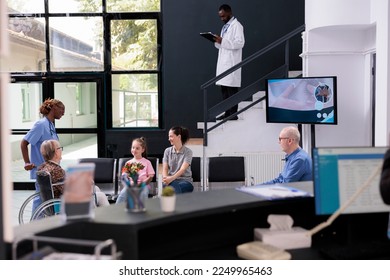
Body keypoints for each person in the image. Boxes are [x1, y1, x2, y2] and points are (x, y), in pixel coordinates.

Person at [20, 98, 65, 211]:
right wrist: (27, 162)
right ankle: (34, 226)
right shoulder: (41, 124)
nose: (63, 113)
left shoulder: (50, 125)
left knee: (45, 203)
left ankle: (40, 225)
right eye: (62, 109)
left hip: (51, 171)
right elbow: (24, 143)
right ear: (54, 108)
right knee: (40, 201)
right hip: (43, 170)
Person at [38, 139, 109, 207]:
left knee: (95, 189)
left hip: (54, 200)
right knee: (101, 196)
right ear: (56, 152)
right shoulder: (56, 170)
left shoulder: (43, 167)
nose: (61, 150)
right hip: (64, 203)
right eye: (60, 148)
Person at [214, 4, 245, 121]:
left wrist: (223, 41)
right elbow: (223, 45)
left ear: (229, 13)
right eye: (220, 17)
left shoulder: (237, 26)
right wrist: (217, 41)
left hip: (232, 63)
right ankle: (227, 113)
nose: (222, 18)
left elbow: (240, 43)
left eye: (223, 16)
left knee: (231, 90)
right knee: (225, 90)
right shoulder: (226, 27)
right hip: (224, 63)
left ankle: (233, 114)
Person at [116, 137, 156, 204]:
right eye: (133, 147)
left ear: (142, 150)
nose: (134, 150)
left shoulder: (147, 162)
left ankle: (141, 211)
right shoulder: (128, 163)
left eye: (137, 148)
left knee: (143, 194)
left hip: (144, 185)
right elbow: (124, 175)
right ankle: (116, 211)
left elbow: (150, 176)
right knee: (122, 196)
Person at [162, 126, 194, 194]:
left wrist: (171, 179)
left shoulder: (188, 152)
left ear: (179, 137)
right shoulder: (167, 151)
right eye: (169, 136)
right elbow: (165, 169)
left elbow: (182, 170)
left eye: (171, 136)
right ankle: (178, 204)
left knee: (174, 188)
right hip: (170, 181)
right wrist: (165, 179)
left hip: (185, 181)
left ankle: (173, 204)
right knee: (169, 187)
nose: (169, 139)